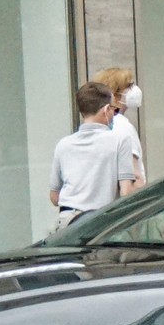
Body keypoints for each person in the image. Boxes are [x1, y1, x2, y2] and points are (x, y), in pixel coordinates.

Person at [47, 82, 132, 229]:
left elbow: (54, 197)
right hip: (100, 223)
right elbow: (127, 192)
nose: (114, 114)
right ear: (106, 110)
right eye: (114, 110)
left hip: (67, 224)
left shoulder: (64, 144)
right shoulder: (120, 140)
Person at [95, 66, 147, 192]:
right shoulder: (122, 127)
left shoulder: (105, 123)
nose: (134, 90)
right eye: (128, 86)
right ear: (115, 94)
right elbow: (133, 177)